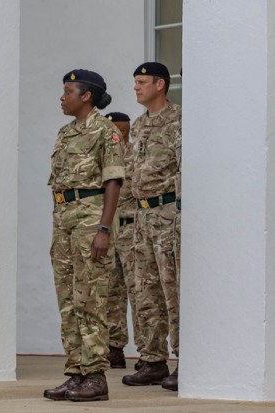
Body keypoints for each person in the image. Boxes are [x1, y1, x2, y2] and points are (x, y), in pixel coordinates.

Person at [43, 69, 124, 402]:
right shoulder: (65, 133)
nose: (63, 97)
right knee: (68, 300)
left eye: (68, 91)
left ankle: (95, 375)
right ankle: (76, 372)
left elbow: (113, 182)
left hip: (91, 219)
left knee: (90, 297)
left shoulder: (105, 132)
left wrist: (104, 229)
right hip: (64, 219)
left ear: (86, 95)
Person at [121, 62, 181, 391]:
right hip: (142, 217)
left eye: (142, 82)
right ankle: (153, 360)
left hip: (168, 213)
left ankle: (185, 360)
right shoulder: (141, 124)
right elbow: (131, 173)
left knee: (173, 291)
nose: (136, 87)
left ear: (160, 84)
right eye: (135, 82)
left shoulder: (179, 121)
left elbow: (185, 169)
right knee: (145, 290)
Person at [103, 112, 144, 370]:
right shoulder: (101, 157)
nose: (122, 137)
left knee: (140, 293)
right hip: (107, 233)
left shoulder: (137, 156)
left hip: (132, 232)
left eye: (125, 132)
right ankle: (113, 348)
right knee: (110, 293)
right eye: (117, 132)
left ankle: (148, 353)